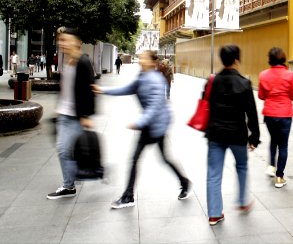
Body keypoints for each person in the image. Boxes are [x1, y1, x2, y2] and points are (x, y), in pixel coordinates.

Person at [93, 50, 192, 209]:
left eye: (143, 58)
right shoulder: (142, 76)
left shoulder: (155, 80)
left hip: (156, 126)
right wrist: (104, 90)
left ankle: (129, 196)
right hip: (150, 125)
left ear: (152, 62)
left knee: (150, 159)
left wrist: (139, 122)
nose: (140, 60)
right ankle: (183, 183)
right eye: (140, 57)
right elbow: (127, 89)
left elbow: (154, 107)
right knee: (153, 158)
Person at [205, 45, 260, 225]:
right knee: (242, 166)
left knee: (214, 173)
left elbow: (207, 105)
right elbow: (251, 113)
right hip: (237, 134)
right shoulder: (244, 83)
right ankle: (243, 202)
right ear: (237, 60)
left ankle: (214, 213)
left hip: (216, 134)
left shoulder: (212, 81)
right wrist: (254, 138)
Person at [46, 27, 96, 199]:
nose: (61, 43)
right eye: (60, 40)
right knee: (66, 149)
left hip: (75, 116)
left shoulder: (83, 61)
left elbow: (89, 89)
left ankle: (69, 185)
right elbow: (67, 88)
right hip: (64, 113)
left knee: (64, 149)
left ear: (76, 41)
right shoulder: (67, 61)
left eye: (65, 40)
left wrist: (86, 116)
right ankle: (74, 178)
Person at [258, 47, 293, 188]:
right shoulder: (290, 75)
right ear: (283, 59)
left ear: (270, 59)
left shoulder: (263, 75)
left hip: (269, 114)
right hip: (284, 114)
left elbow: (261, 96)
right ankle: (279, 177)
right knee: (283, 145)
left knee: (273, 141)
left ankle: (271, 166)